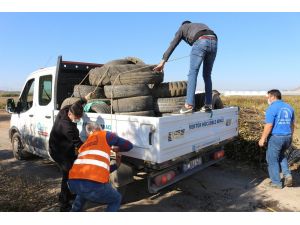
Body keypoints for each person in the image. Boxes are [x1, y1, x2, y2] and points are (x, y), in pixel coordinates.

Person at [153, 20, 218, 113]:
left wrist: (163, 62)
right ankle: (208, 104)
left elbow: (173, 44)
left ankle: (189, 105)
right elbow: (209, 37)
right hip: (214, 41)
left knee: (193, 73)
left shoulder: (183, 28)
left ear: (183, 25)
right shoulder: (199, 25)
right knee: (207, 75)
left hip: (201, 41)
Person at [68, 122, 133, 212]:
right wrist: (117, 149)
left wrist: (116, 166)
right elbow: (129, 146)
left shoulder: (83, 146)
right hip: (92, 185)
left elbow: (97, 168)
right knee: (116, 199)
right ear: (99, 129)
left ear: (88, 134)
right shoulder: (105, 134)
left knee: (82, 193)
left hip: (73, 183)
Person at [49, 94, 91, 211]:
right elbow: (78, 144)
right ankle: (64, 203)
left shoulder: (66, 109)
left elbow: (75, 104)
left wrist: (84, 99)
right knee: (67, 174)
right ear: (71, 115)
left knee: (71, 171)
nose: (77, 120)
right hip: (58, 151)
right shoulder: (68, 127)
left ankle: (68, 194)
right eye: (77, 118)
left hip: (63, 147)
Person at [258, 89, 295, 189]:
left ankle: (276, 183)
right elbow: (292, 125)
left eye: (268, 97)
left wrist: (262, 139)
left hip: (276, 138)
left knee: (272, 159)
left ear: (273, 97)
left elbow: (269, 125)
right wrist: (291, 136)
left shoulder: (272, 108)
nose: (268, 99)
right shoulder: (289, 107)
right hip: (287, 136)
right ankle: (287, 175)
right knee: (281, 156)